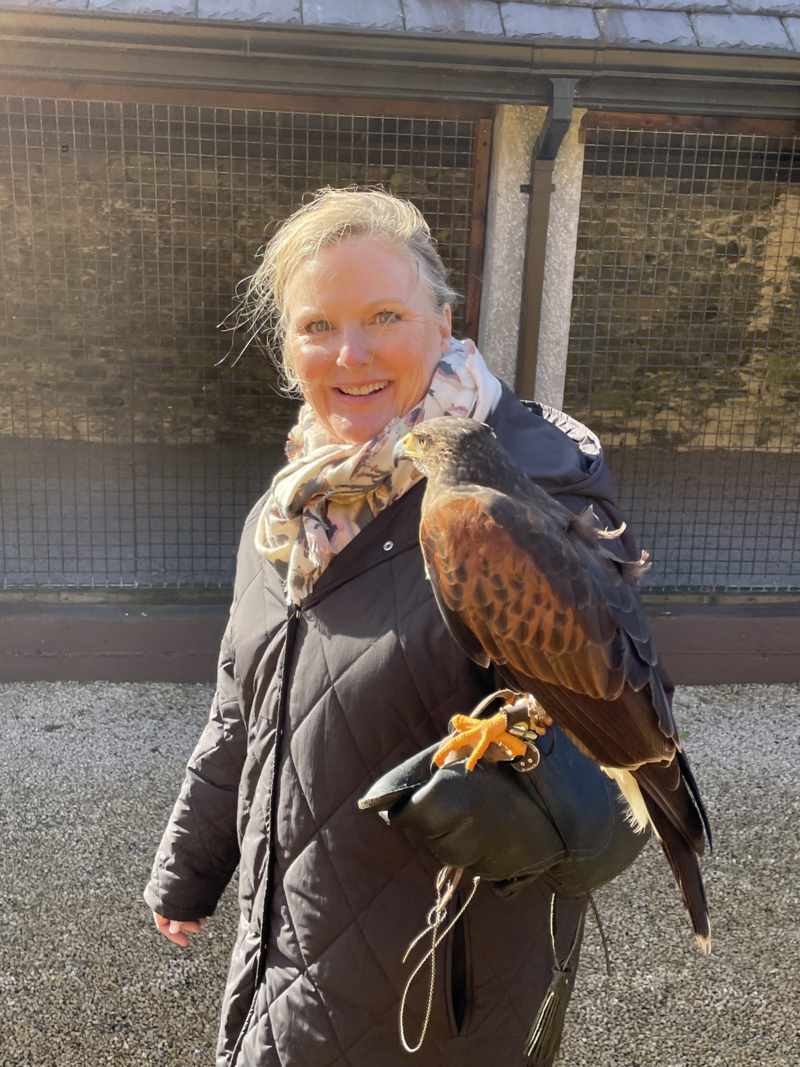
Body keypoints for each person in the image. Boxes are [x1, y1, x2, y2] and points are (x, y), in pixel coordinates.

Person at [144, 188, 652, 1066]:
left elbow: (626, 749)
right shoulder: (291, 505)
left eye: (384, 314)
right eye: (316, 325)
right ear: (287, 345)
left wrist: (548, 809)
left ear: (444, 322)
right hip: (287, 952)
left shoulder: (528, 489)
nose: (351, 352)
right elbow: (244, 706)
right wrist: (188, 870)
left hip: (439, 990)